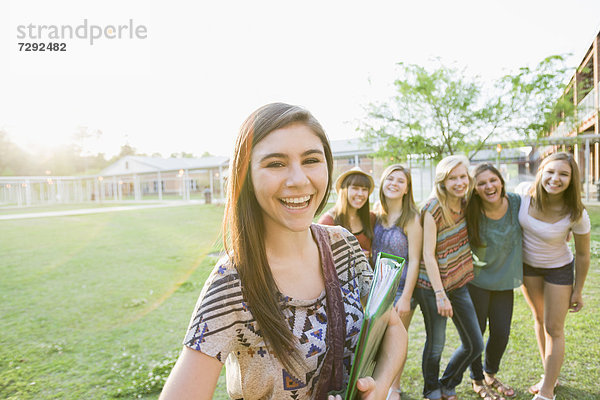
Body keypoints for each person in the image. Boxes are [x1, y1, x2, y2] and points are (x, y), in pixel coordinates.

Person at [159, 103, 407, 400]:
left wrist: (379, 387)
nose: (299, 180)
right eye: (276, 164)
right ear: (245, 176)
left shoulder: (343, 245)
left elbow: (393, 327)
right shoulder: (233, 282)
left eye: (311, 160)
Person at [519, 152, 591, 400]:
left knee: (554, 328)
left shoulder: (576, 213)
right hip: (528, 267)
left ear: (572, 180)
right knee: (539, 319)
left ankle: (546, 393)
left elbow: (583, 255)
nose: (555, 178)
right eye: (550, 171)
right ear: (541, 172)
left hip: (558, 269)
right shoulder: (523, 195)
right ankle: (549, 375)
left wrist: (578, 290)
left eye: (563, 174)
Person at [415, 154, 484, 400]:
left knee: (475, 344)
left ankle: (448, 382)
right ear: (442, 181)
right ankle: (431, 389)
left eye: (462, 176)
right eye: (452, 178)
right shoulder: (432, 208)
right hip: (432, 286)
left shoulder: (465, 203)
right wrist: (440, 295)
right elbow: (428, 254)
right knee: (436, 344)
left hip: (459, 283)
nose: (458, 182)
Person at [465, 163, 522, 400]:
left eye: (493, 180)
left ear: (501, 181)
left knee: (501, 333)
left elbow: (543, 210)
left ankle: (490, 373)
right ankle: (477, 380)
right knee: (476, 334)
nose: (489, 186)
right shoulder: (470, 209)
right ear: (475, 189)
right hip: (476, 281)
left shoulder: (517, 202)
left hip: (504, 281)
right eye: (481, 183)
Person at [371, 164, 423, 400]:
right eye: (390, 179)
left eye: (400, 181)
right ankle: (375, 385)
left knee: (396, 341)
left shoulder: (411, 218)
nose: (394, 184)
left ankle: (395, 388)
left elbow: (414, 260)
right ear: (382, 183)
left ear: (406, 189)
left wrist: (405, 297)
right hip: (376, 288)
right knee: (377, 341)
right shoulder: (376, 214)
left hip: (401, 289)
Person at [318, 166, 375, 260]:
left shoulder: (371, 218)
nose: (360, 193)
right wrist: (354, 258)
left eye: (364, 189)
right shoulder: (327, 223)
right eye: (355, 188)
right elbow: (322, 260)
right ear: (344, 190)